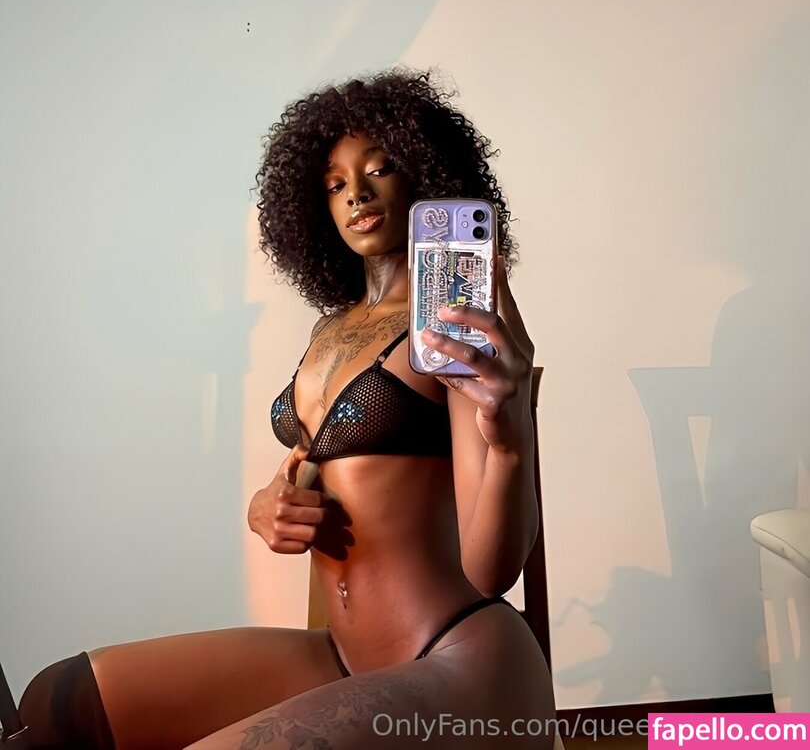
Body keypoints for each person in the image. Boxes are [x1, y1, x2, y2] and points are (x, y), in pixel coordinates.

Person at [18, 67, 555, 749]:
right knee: (59, 702)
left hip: (454, 659)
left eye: (379, 169)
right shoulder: (331, 329)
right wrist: (268, 504)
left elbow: (489, 571)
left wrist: (509, 438)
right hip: (342, 656)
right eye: (334, 184)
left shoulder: (451, 326)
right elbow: (326, 468)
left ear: (425, 175)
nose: (356, 193)